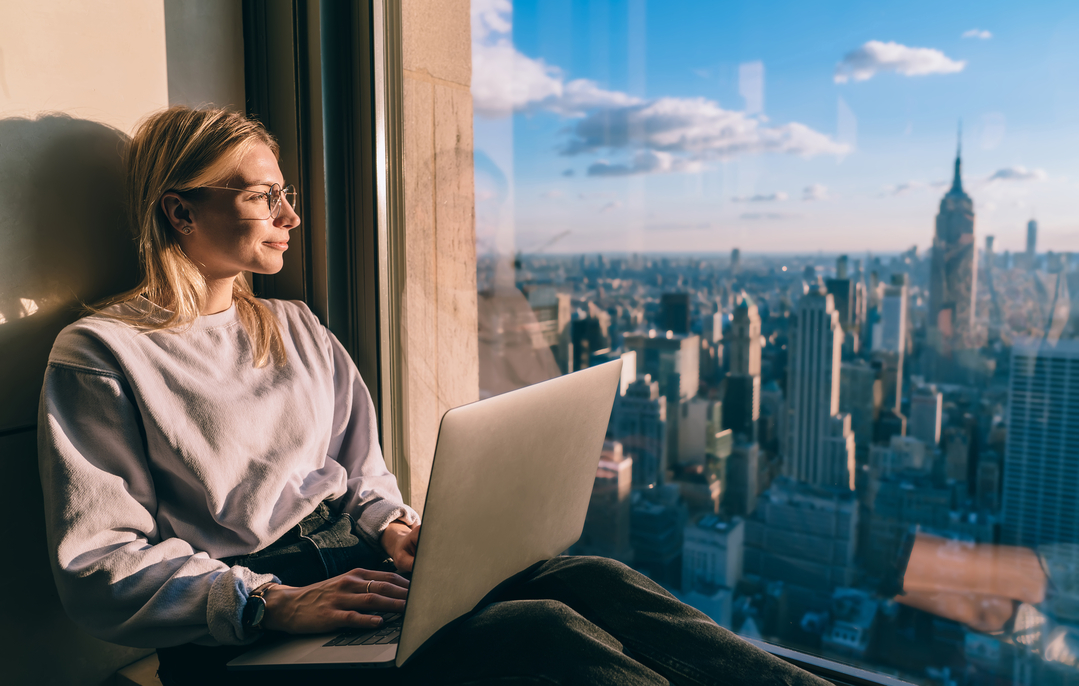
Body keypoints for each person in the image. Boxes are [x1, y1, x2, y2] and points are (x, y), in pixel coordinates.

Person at [38, 106, 829, 686]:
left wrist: (394, 527)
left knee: (591, 579)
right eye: (262, 197)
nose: (292, 217)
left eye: (286, 195)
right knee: (538, 630)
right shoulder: (103, 354)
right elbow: (98, 565)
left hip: (358, 568)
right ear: (181, 209)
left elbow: (364, 476)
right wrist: (272, 603)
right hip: (245, 627)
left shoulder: (293, 326)